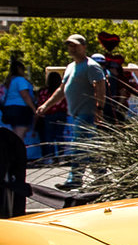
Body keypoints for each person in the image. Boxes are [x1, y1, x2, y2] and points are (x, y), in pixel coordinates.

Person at [36, 34, 106, 191]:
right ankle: (103, 178)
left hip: (87, 114)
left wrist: (99, 109)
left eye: (75, 45)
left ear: (84, 46)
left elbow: (100, 87)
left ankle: (75, 180)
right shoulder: (70, 67)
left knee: (79, 148)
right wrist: (46, 105)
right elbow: (62, 90)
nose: (72, 48)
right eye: (69, 45)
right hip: (77, 115)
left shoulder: (91, 66)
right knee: (90, 149)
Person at [0, 56, 38, 160]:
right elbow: (24, 95)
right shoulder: (20, 80)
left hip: (10, 108)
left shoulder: (10, 81)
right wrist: (34, 108)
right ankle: (17, 157)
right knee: (20, 134)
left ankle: (13, 155)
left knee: (15, 132)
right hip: (20, 108)